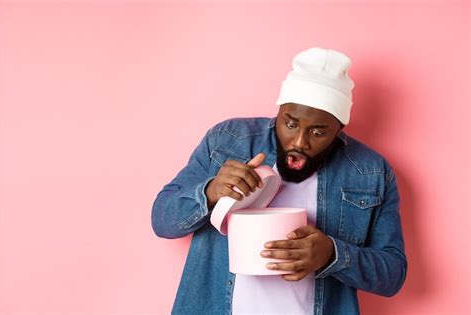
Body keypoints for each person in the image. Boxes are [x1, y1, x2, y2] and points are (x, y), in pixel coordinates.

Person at [151, 47, 407, 314]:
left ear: (339, 128)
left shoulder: (370, 171)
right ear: (279, 112)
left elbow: (393, 274)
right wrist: (211, 191)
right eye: (291, 124)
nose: (299, 142)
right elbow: (162, 220)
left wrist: (332, 254)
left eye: (318, 132)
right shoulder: (226, 141)